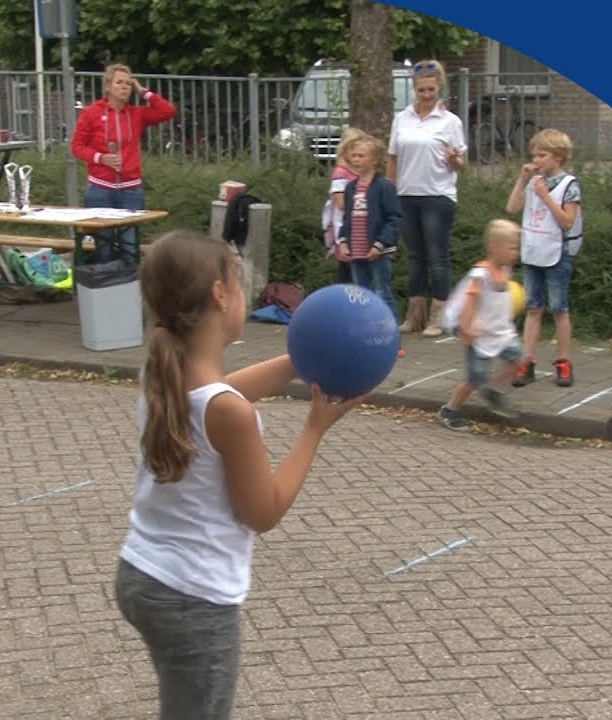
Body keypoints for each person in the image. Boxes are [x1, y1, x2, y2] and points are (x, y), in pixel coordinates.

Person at [116, 230, 365, 720]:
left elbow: (223, 391)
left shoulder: (163, 375)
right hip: (193, 597)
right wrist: (315, 428)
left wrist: (304, 360)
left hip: (143, 574)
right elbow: (264, 512)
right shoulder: (230, 414)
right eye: (239, 280)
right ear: (219, 295)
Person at [386, 59, 466, 337]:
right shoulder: (402, 118)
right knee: (416, 256)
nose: (427, 95)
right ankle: (414, 315)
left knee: (437, 256)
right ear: (414, 89)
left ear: (439, 87)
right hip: (407, 193)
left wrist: (455, 160)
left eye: (431, 90)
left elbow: (459, 164)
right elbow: (393, 158)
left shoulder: (450, 121)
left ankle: (438, 316)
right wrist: (389, 191)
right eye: (422, 90)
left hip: (437, 194)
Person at [71, 64, 176, 265]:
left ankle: (131, 292)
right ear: (108, 86)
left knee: (130, 247)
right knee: (104, 248)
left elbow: (167, 111)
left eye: (128, 83)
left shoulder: (137, 114)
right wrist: (100, 158)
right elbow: (77, 147)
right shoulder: (91, 113)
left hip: (130, 190)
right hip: (100, 188)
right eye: (119, 82)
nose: (125, 87)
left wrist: (144, 92)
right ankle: (104, 291)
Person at [506, 128, 582, 388]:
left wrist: (545, 196)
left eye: (542, 155)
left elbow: (567, 221)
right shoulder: (533, 180)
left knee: (559, 308)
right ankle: (526, 362)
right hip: (531, 251)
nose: (536, 160)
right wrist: (522, 180)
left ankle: (563, 361)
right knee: (533, 308)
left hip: (555, 253)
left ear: (558, 157)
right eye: (534, 155)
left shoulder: (569, 185)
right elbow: (513, 208)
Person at [437, 219, 525, 430]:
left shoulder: (505, 272)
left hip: (500, 332)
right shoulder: (481, 275)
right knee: (475, 379)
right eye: (512, 248)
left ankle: (494, 391)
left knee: (520, 358)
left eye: (517, 248)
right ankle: (449, 409)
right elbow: (470, 302)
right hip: (478, 335)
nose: (516, 253)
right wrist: (466, 328)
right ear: (495, 248)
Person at [336, 134, 401, 309]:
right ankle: (363, 330)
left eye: (361, 156)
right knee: (360, 294)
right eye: (353, 155)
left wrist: (380, 244)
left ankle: (388, 328)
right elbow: (347, 218)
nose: (356, 160)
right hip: (356, 250)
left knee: (381, 291)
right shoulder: (350, 188)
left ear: (375, 160)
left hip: (378, 250)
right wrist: (343, 241)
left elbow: (394, 218)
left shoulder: (384, 187)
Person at [321, 127, 367, 284]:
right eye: (353, 150)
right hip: (344, 227)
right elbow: (341, 204)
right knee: (347, 270)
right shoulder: (341, 173)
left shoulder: (359, 172)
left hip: (358, 227)